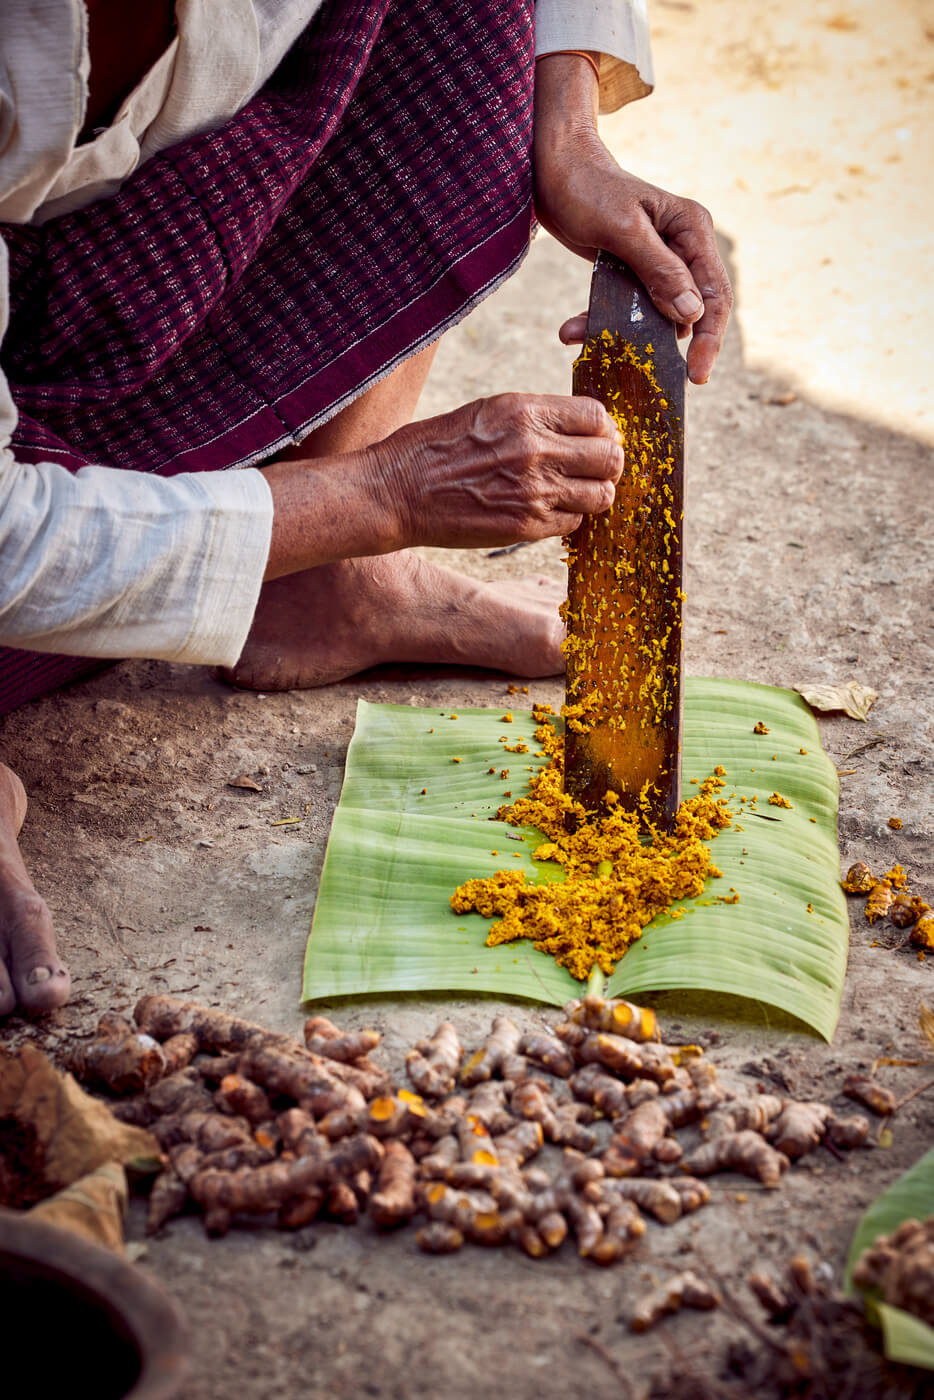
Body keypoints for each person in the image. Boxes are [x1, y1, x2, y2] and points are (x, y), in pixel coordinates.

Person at [0, 0, 732, 1016]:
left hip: (130, 254)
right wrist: (383, 492)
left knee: (472, 26)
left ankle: (315, 577)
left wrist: (566, 135)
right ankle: (313, 534)